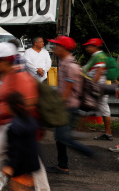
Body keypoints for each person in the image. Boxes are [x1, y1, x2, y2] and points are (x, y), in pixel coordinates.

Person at [0, 42, 49, 191]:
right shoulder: (8, 76)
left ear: (5, 60)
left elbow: (28, 106)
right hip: (10, 127)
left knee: (30, 162)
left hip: (18, 128)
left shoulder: (20, 78)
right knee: (1, 156)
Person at [46, 36, 96, 174]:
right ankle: (62, 165)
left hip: (68, 108)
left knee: (62, 137)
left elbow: (66, 93)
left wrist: (54, 107)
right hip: (65, 107)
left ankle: (90, 153)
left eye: (56, 46)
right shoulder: (64, 63)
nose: (54, 48)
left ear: (63, 48)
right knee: (59, 137)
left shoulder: (71, 66)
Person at [0, 92, 40, 191]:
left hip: (20, 168)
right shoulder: (31, 120)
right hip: (32, 165)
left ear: (10, 107)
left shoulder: (14, 127)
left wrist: (10, 166)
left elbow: (16, 150)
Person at [83, 38, 113, 141]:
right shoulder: (97, 56)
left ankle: (79, 130)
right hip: (99, 86)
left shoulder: (99, 56)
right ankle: (107, 133)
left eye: (89, 46)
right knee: (103, 108)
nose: (87, 48)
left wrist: (92, 86)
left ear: (95, 46)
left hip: (98, 86)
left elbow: (99, 71)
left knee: (87, 106)